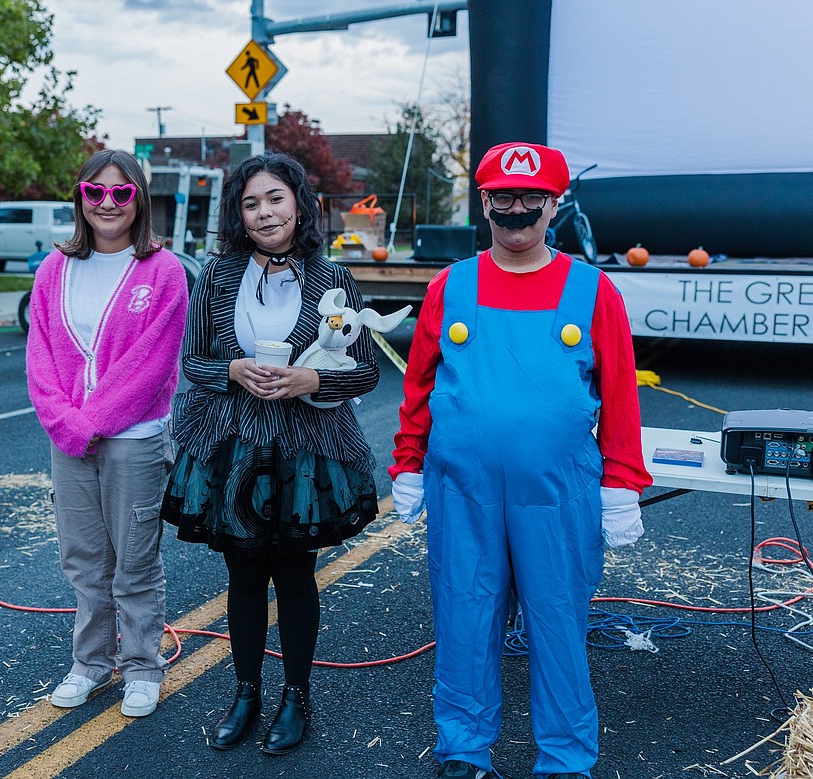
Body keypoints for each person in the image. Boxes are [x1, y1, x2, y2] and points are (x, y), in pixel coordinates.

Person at [390, 142, 653, 779]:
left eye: (529, 198)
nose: (515, 209)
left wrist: (622, 483)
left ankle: (564, 756)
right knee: (464, 613)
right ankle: (462, 747)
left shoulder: (594, 290)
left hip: (557, 492)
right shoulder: (450, 285)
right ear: (484, 203)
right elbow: (420, 384)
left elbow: (619, 393)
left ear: (553, 204)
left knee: (558, 621)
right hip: (463, 490)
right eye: (501, 197)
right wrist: (407, 461)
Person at [161, 151, 381, 755]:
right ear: (238, 213)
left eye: (274, 199)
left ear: (299, 203)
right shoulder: (215, 276)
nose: (264, 212)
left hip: (306, 450)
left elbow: (364, 372)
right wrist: (233, 369)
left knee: (295, 573)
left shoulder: (334, 279)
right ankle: (245, 692)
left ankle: (296, 696)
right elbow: (193, 364)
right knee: (243, 573)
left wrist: (312, 382)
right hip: (232, 443)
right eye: (250, 203)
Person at [26, 149, 188, 718]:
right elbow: (41, 358)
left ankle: (142, 666)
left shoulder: (162, 272)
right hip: (70, 441)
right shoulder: (55, 269)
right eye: (96, 192)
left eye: (121, 193)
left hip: (134, 441)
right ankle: (91, 663)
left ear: (138, 198)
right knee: (84, 560)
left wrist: (89, 423)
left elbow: (152, 366)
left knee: (135, 560)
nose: (107, 203)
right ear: (81, 198)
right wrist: (67, 425)